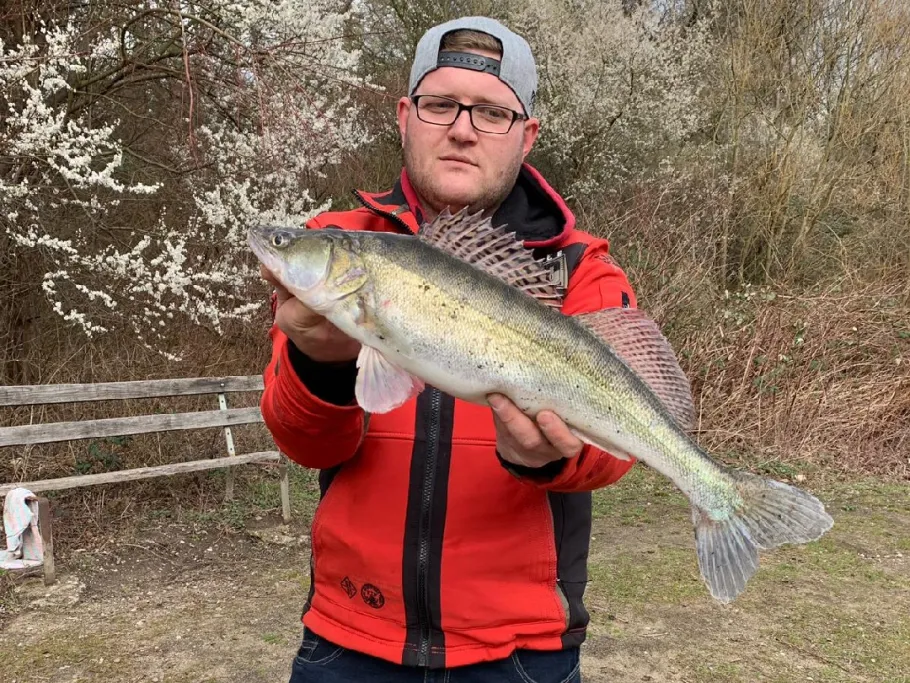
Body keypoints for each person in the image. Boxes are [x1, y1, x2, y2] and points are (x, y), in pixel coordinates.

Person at [259, 16, 638, 683]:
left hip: (522, 657)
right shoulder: (338, 241)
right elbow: (304, 442)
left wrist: (552, 459)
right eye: (440, 104)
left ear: (528, 135)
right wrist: (320, 364)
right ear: (405, 116)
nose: (462, 128)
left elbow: (620, 447)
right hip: (347, 644)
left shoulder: (583, 271)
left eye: (492, 111)